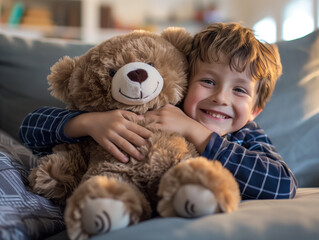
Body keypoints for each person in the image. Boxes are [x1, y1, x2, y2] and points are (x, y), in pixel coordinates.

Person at [19, 22, 297, 200]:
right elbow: (29, 129)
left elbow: (283, 186)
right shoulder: (160, 109)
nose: (220, 98)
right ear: (186, 81)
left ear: (255, 111)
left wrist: (196, 133)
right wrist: (90, 123)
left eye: (239, 90)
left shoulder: (246, 135)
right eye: (208, 82)